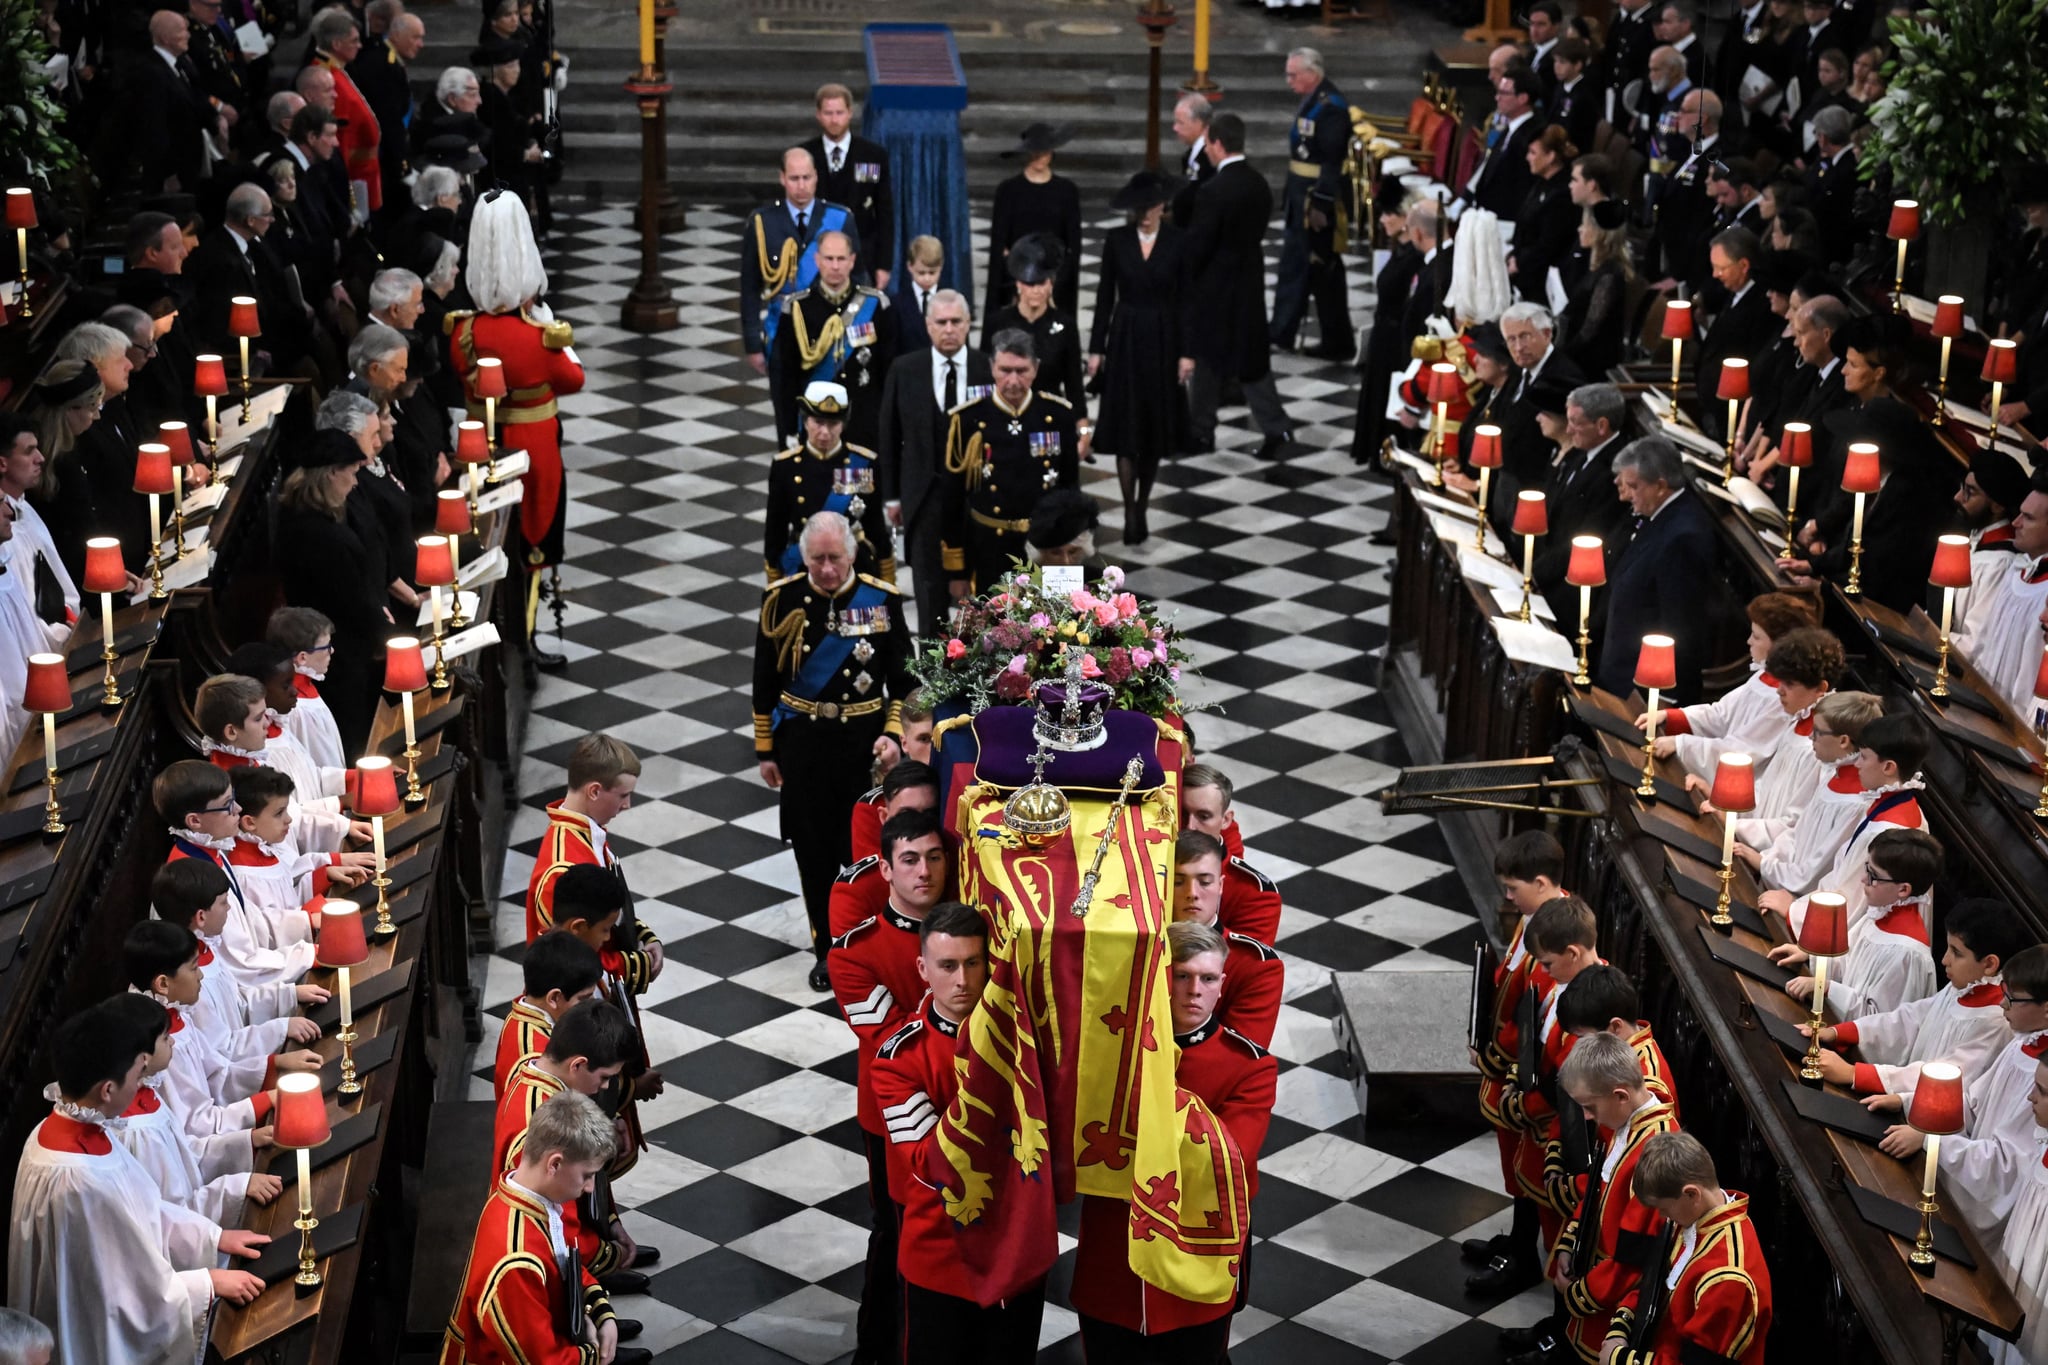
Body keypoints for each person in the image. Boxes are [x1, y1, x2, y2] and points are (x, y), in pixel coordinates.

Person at [8, 1006, 267, 1364]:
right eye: (137, 1073)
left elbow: (142, 1208)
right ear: (108, 1089)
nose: (143, 1080)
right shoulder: (77, 1182)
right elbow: (122, 1298)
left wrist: (212, 1237)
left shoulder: (73, 1126)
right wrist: (206, 1285)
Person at [1069, 920, 1274, 1361]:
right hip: (1114, 1253)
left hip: (1198, 1255)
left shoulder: (1249, 1066)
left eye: (1207, 978)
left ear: (1223, 985)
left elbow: (1228, 1158)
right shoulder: (1109, 1052)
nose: (1193, 990)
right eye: (1181, 976)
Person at [871, 903, 1044, 1359]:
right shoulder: (898, 1059)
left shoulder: (1025, 1040)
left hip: (1017, 1248)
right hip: (941, 1258)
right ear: (923, 969)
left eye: (973, 963)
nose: (963, 981)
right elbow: (930, 1162)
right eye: (948, 966)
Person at [753, 511, 913, 991]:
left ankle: (870, 945)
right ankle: (828, 949)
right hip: (802, 747)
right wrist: (766, 749)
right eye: (817, 559)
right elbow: (765, 679)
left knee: (864, 853)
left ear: (851, 554)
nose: (826, 569)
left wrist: (893, 734)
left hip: (862, 748)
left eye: (834, 558)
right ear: (804, 558)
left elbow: (904, 681)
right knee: (814, 852)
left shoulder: (880, 599)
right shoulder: (781, 601)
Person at [828, 808, 949, 1364]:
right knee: (896, 1231)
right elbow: (888, 1041)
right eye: (909, 860)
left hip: (971, 1106)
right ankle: (879, 1347)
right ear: (884, 868)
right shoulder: (856, 951)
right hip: (893, 1116)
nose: (924, 871)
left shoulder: (969, 934)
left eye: (933, 857)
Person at [446, 189, 586, 668]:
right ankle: (525, 640)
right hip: (535, 450)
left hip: (480, 446)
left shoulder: (463, 332)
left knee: (490, 538)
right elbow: (573, 379)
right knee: (532, 542)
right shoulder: (537, 336)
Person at [443, 1089, 624, 1365]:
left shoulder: (526, 1195)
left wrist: (601, 1312)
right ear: (555, 1164)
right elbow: (545, 1360)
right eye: (587, 1176)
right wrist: (593, 1353)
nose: (589, 1188)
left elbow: (562, 1263)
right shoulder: (517, 1261)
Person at [1532, 1032, 1678, 1365]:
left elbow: (1633, 1259)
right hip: (1595, 1273)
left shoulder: (1651, 1157)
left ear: (1620, 1095)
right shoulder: (1622, 1122)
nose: (1586, 1116)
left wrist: (1580, 1294)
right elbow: (1599, 1189)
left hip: (1610, 1296)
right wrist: (1570, 1244)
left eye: (1590, 1106)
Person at [1802, 897, 2026, 1104]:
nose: (1944, 960)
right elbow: (1909, 1020)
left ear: (1989, 964)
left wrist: (1854, 1073)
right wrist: (1840, 1032)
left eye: (1956, 953)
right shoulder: (1963, 987)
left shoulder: (1995, 1022)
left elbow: (1945, 1076)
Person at [1180, 112, 1296, 459]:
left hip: (1216, 287)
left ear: (1217, 143)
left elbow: (1200, 243)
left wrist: (1185, 272)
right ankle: (1277, 427)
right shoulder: (1258, 184)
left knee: (1207, 358)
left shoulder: (1214, 190)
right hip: (1248, 282)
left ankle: (1201, 432)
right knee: (1251, 360)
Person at [877, 288, 991, 637]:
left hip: (975, 501)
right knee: (928, 591)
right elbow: (888, 434)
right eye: (941, 322)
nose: (949, 329)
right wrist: (892, 496)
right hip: (923, 497)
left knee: (980, 593)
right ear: (928, 326)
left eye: (956, 321)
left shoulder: (986, 367)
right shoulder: (905, 368)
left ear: (968, 324)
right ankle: (930, 678)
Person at [1601, 1132, 1771, 1365]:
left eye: (1664, 1208)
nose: (1661, 1216)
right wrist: (1621, 1326)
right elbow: (1655, 1283)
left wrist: (1621, 1359)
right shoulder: (1695, 1219)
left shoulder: (1728, 1277)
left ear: (1691, 1194)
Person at [940, 329, 1080, 593]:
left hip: (1044, 547)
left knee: (1052, 631)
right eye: (1005, 370)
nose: (1013, 380)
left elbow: (1070, 490)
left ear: (1036, 368)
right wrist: (957, 570)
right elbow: (952, 499)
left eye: (1021, 370)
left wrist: (1068, 558)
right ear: (992, 367)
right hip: (989, 549)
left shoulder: (1058, 415)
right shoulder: (967, 420)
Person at [270, 428, 383, 754]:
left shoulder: (305, 515)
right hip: (339, 655)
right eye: (352, 472)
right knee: (354, 738)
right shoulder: (316, 535)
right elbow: (349, 601)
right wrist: (381, 626)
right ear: (332, 471)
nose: (356, 481)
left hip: (341, 643)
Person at [1089, 170, 1186, 544]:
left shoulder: (1179, 242)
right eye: (1138, 208)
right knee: (1127, 426)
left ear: (1163, 206)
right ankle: (1129, 507)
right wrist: (1096, 348)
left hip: (1163, 338)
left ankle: (1143, 503)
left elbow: (1187, 299)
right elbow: (1103, 298)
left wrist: (1187, 352)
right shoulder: (1116, 240)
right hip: (1126, 336)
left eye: (1150, 207)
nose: (1144, 214)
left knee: (1153, 428)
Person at [741, 147, 860, 440]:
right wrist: (753, 343)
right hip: (783, 331)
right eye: (794, 178)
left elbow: (859, 279)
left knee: (833, 415)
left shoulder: (839, 218)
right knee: (788, 416)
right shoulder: (763, 223)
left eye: (807, 177)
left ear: (816, 177)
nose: (801, 185)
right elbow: (749, 288)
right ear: (782, 178)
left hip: (832, 330)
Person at [1593, 438, 1716, 704]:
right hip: (1622, 674)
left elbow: (1678, 628)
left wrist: (1661, 699)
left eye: (1634, 486)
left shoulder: (1684, 538)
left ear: (1661, 486)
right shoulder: (1660, 515)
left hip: (1642, 689)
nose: (1627, 494)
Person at [1645, 592, 1820, 780]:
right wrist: (1671, 718)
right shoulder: (1764, 676)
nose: (1749, 641)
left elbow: (1741, 750)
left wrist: (1681, 745)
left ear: (1779, 646)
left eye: (1756, 636)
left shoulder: (1784, 699)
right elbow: (1721, 715)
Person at [1772, 827, 1941, 1019]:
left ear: (1903, 890)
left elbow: (1879, 1024)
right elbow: (1847, 965)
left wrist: (1826, 988)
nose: (1863, 879)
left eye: (1872, 874)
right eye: (1866, 868)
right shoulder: (1881, 914)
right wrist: (1811, 956)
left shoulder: (1907, 954)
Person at [1733, 688, 1882, 894]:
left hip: (1795, 896)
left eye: (1818, 731)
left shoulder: (1856, 804)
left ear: (1843, 741)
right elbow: (1796, 834)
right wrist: (1767, 859)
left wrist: (1765, 864)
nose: (1810, 736)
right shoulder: (1831, 775)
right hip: (1779, 877)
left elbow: (1817, 870)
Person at [770, 230, 897, 452]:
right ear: (817, 260)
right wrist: (788, 430)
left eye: (841, 259)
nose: (835, 266)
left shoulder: (876, 305)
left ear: (852, 261)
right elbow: (785, 378)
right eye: (829, 259)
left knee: (859, 486)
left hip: (863, 426)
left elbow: (889, 373)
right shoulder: (797, 309)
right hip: (816, 427)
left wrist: (889, 425)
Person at [763, 381, 892, 583]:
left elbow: (875, 525)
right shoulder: (785, 466)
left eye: (833, 424)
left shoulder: (862, 463)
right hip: (803, 565)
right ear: (805, 422)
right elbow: (775, 531)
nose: (825, 432)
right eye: (818, 422)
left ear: (844, 424)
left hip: (854, 567)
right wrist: (774, 579)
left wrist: (886, 580)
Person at [1271, 48, 1352, 360]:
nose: (1289, 80)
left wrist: (1321, 202)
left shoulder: (1330, 107)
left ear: (1312, 73)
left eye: (1293, 74)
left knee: (1312, 267)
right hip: (1300, 193)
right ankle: (1294, 331)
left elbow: (1332, 160)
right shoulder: (1314, 100)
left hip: (1314, 201)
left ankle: (1286, 331)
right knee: (1305, 267)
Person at [1169, 831, 1284, 1048]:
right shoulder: (1141, 944)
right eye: (1178, 881)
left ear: (1220, 885)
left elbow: (1237, 1056)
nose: (1191, 893)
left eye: (1204, 882)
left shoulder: (1256, 964)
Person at [1950, 469, 2048, 714]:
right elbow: (1983, 646)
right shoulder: (2017, 572)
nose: (2016, 523)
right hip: (1979, 703)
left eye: (2028, 518)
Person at [1532, 384, 1632, 619]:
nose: (1568, 429)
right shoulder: (1580, 452)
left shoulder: (1614, 472)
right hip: (1549, 567)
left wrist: (1535, 574)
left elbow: (1587, 535)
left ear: (1601, 426)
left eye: (1575, 422)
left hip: (1569, 588)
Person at [983, 123, 1082, 339]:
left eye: (1044, 151)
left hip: (1055, 280)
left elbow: (1073, 243)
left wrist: (1054, 282)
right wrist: (1016, 277)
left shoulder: (1066, 192)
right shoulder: (1008, 190)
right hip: (1015, 281)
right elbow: (999, 243)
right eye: (1035, 151)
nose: (1039, 157)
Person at [982, 235, 1089, 435]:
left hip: (1049, 422)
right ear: (1018, 285)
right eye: (1030, 284)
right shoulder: (997, 323)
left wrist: (1083, 430)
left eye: (1042, 283)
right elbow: (984, 378)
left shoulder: (1065, 325)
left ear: (1051, 284)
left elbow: (1074, 383)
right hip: (1005, 419)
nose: (1036, 291)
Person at [1350, 185, 1424, 467]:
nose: (1382, 220)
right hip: (1383, 335)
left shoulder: (1414, 260)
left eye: (1389, 214)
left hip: (1395, 341)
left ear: (1406, 218)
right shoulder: (1400, 250)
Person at [495, 929, 605, 1100]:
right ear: (554, 998)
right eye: (583, 999)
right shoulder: (536, 1062)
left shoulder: (534, 1010)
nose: (590, 1006)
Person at [801, 82, 892, 287]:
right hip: (814, 261)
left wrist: (884, 265)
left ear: (850, 113)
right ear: (818, 115)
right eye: (828, 113)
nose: (834, 119)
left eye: (839, 112)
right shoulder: (805, 156)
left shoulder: (873, 155)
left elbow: (885, 213)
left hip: (862, 259)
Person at [305, 6, 383, 218]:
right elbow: (340, 139)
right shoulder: (326, 80)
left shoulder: (336, 70)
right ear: (337, 44)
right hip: (354, 177)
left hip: (364, 173)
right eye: (354, 41)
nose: (359, 45)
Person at [132, 10, 215, 196]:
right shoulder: (151, 74)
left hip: (189, 162)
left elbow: (196, 99)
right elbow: (155, 128)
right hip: (171, 172)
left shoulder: (181, 63)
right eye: (181, 30)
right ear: (165, 37)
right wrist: (169, 173)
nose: (188, 34)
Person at [1556, 201, 1634, 375]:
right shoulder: (1597, 267)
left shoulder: (1610, 274)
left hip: (1592, 364)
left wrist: (1559, 355)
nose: (1580, 229)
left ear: (1599, 232)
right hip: (1580, 353)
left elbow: (1590, 331)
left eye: (1584, 224)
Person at [1512, 127, 1578, 305]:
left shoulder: (1562, 194)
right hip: (1524, 268)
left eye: (1533, 153)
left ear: (1550, 157)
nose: (1528, 157)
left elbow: (1548, 244)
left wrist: (1519, 263)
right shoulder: (1541, 183)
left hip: (1541, 283)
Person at [1168, 93, 1216, 230]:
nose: (1175, 128)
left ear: (1199, 123)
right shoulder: (1191, 154)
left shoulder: (1209, 156)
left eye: (1180, 122)